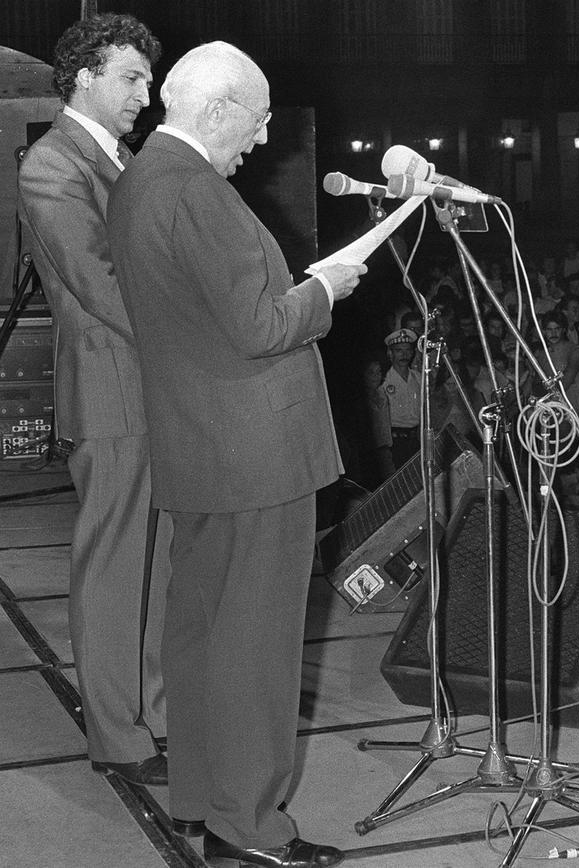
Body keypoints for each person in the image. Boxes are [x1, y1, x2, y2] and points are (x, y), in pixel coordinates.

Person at [108, 41, 365, 867]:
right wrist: (323, 291)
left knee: (201, 635)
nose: (260, 139)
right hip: (256, 454)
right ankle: (249, 829)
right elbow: (258, 326)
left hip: (200, 446)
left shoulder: (142, 179)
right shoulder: (196, 189)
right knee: (255, 647)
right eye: (256, 122)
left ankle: (201, 800)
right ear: (217, 109)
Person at [17, 13, 171, 787]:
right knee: (114, 570)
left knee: (158, 567)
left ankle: (158, 714)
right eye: (131, 77)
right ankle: (118, 735)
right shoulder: (53, 163)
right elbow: (101, 284)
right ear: (83, 75)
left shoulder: (122, 157)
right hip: (113, 391)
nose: (146, 92)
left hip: (157, 390)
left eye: (150, 78)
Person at [373, 328, 422, 474]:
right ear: (390, 353)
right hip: (395, 441)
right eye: (399, 350)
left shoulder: (418, 377)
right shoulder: (384, 380)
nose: (404, 355)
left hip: (417, 438)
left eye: (408, 350)